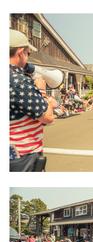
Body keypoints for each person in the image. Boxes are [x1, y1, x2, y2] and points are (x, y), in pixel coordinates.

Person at [9, 29, 58, 171]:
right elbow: (48, 117)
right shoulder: (19, 81)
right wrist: (42, 91)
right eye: (28, 53)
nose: (28, 57)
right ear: (20, 52)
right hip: (22, 158)